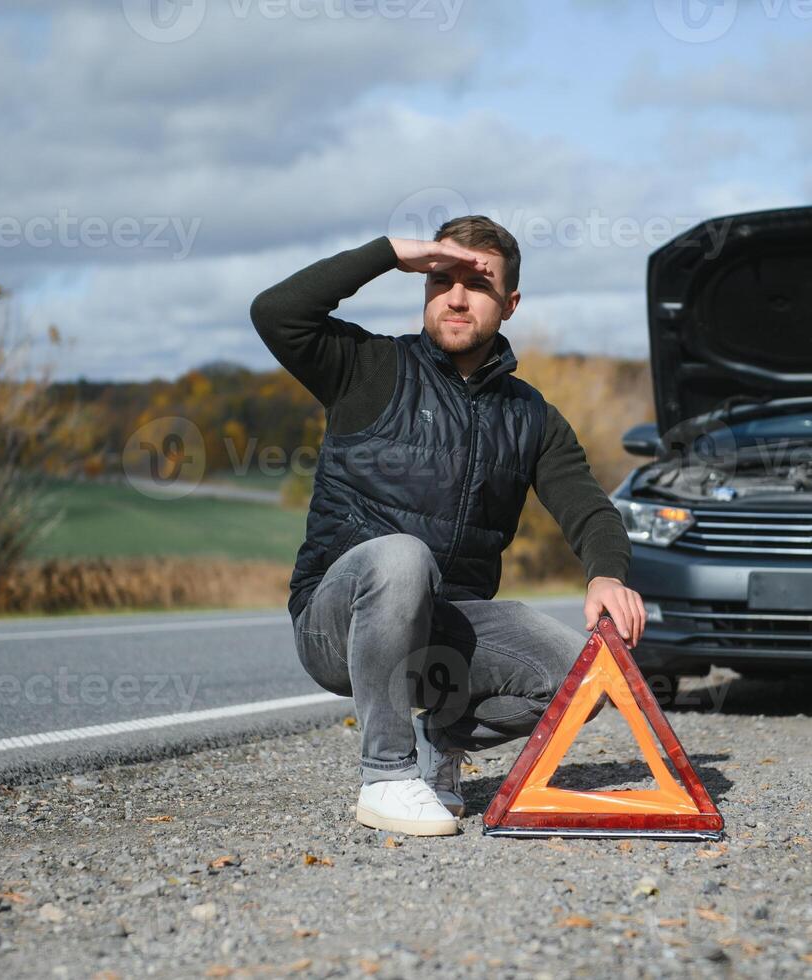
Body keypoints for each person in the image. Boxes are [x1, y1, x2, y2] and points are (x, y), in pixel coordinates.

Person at [250, 215, 646, 836]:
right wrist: (390, 253)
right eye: (443, 280)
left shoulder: (532, 417)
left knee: (587, 676)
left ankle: (438, 743)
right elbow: (276, 312)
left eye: (478, 284)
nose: (456, 297)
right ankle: (386, 777)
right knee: (401, 557)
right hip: (340, 624)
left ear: (510, 304)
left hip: (445, 636)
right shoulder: (369, 367)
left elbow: (588, 507)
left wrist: (607, 577)